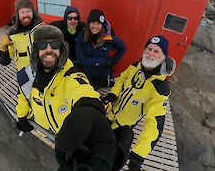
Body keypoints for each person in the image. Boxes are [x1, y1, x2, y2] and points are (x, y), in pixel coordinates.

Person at [15, 25, 117, 171]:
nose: (49, 50)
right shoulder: (25, 75)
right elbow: (22, 95)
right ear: (36, 50)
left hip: (67, 137)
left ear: (61, 49)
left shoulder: (72, 75)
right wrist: (22, 116)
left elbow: (82, 91)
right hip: (41, 132)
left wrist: (90, 110)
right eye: (43, 45)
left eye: (55, 45)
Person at [103, 35, 176, 171]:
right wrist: (113, 94)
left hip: (123, 127)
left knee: (107, 154)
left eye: (156, 51)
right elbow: (122, 78)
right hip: (110, 114)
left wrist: (138, 156)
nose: (150, 53)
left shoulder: (160, 89)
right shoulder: (136, 65)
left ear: (163, 57)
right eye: (149, 49)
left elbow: (154, 125)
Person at [75, 9, 126, 90]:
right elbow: (81, 59)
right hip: (86, 72)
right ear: (88, 24)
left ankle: (107, 81)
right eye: (93, 23)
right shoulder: (82, 36)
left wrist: (112, 62)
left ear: (102, 25)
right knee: (87, 90)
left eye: (98, 23)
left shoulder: (109, 38)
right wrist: (101, 61)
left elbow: (122, 47)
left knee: (98, 89)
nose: (95, 26)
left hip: (102, 73)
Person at [0, 0, 42, 71]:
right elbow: (4, 62)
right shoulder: (11, 35)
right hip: (25, 74)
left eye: (28, 11)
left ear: (33, 13)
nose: (25, 15)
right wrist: (3, 49)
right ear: (18, 14)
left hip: (42, 72)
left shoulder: (42, 29)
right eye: (22, 12)